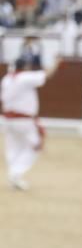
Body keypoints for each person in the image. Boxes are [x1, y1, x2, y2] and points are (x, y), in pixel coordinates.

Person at [0, 57, 57, 190]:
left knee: (13, 147)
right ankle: (15, 173)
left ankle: (14, 175)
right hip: (24, 121)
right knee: (34, 146)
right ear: (25, 67)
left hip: (7, 120)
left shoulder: (7, 79)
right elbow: (47, 74)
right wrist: (56, 62)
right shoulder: (25, 77)